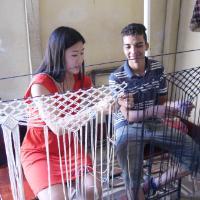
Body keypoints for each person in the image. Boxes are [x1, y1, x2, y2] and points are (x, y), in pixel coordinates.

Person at [109, 23, 199, 199]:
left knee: (195, 156)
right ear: (123, 48)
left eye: (139, 45)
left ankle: (152, 185)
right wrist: (157, 110)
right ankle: (135, 191)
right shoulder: (116, 77)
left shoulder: (158, 69)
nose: (133, 51)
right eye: (128, 46)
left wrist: (177, 107)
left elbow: (163, 102)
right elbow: (129, 116)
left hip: (154, 123)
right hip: (128, 128)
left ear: (147, 45)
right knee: (132, 176)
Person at [21, 26, 101, 200]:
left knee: (93, 189)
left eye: (82, 53)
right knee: (57, 197)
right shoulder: (40, 84)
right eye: (74, 55)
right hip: (39, 151)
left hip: (68, 146)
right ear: (58, 54)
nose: (80, 60)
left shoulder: (82, 81)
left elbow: (101, 99)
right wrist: (95, 109)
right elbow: (57, 127)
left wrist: (118, 100)